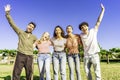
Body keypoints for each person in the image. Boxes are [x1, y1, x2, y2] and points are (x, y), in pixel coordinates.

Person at [4, 4, 37, 80]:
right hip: (20, 54)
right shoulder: (20, 32)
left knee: (30, 73)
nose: (30, 27)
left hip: (30, 56)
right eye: (29, 26)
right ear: (27, 26)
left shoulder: (34, 37)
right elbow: (12, 24)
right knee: (16, 73)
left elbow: (40, 44)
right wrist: (7, 13)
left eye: (32, 27)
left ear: (33, 29)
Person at [79, 4, 105, 80]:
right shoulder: (80, 35)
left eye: (85, 26)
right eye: (82, 27)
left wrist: (103, 10)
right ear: (81, 29)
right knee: (87, 72)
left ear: (88, 26)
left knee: (97, 72)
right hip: (86, 56)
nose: (84, 28)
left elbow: (98, 21)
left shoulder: (93, 31)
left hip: (95, 55)